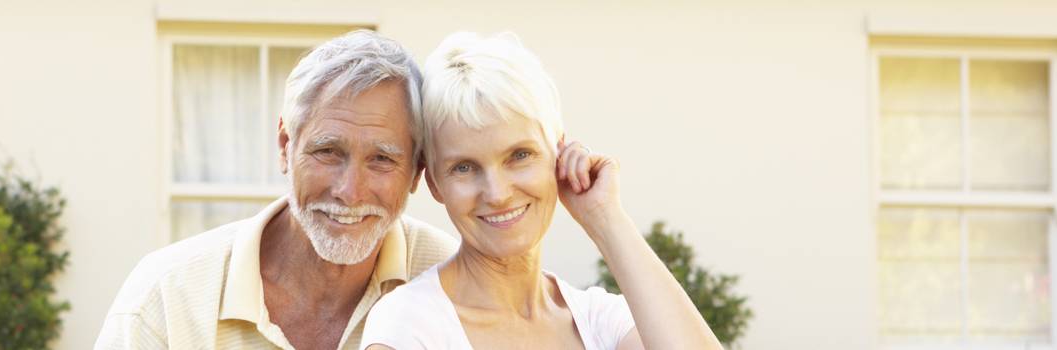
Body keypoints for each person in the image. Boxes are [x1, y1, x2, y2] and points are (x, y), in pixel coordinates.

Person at [95, 30, 460, 350]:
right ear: (286, 146)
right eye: (328, 152)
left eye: (381, 159)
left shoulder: (458, 283)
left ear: (417, 170)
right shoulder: (166, 296)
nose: (350, 192)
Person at [360, 32, 723, 350]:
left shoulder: (599, 319)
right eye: (464, 167)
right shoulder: (409, 325)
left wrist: (604, 218)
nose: (498, 193)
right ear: (435, 184)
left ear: (558, 153)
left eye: (519, 155)